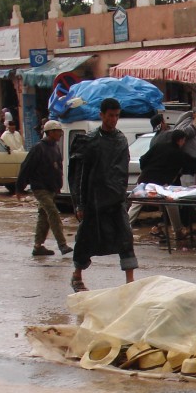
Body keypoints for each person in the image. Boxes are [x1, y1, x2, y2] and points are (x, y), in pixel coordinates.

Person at [68, 98, 137, 293]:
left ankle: (130, 283)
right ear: (102, 115)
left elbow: (122, 171)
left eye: (116, 116)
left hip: (115, 200)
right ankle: (77, 275)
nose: (114, 119)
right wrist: (79, 204)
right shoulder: (89, 141)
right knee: (86, 238)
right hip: (94, 200)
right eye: (110, 116)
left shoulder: (121, 139)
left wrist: (123, 197)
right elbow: (78, 174)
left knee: (125, 237)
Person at [137, 128, 196, 242]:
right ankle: (177, 231)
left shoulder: (158, 146)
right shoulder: (177, 153)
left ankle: (126, 228)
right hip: (159, 186)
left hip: (143, 180)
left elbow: (143, 159)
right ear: (181, 140)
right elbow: (190, 162)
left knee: (136, 204)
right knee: (170, 204)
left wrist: (146, 170)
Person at [16, 119, 72, 257]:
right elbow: (26, 167)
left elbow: (57, 168)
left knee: (44, 216)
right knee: (52, 213)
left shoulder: (55, 147)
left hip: (51, 188)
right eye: (58, 131)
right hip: (40, 188)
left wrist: (58, 186)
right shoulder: (38, 148)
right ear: (50, 132)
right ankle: (62, 244)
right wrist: (19, 188)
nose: (60, 134)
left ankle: (38, 246)